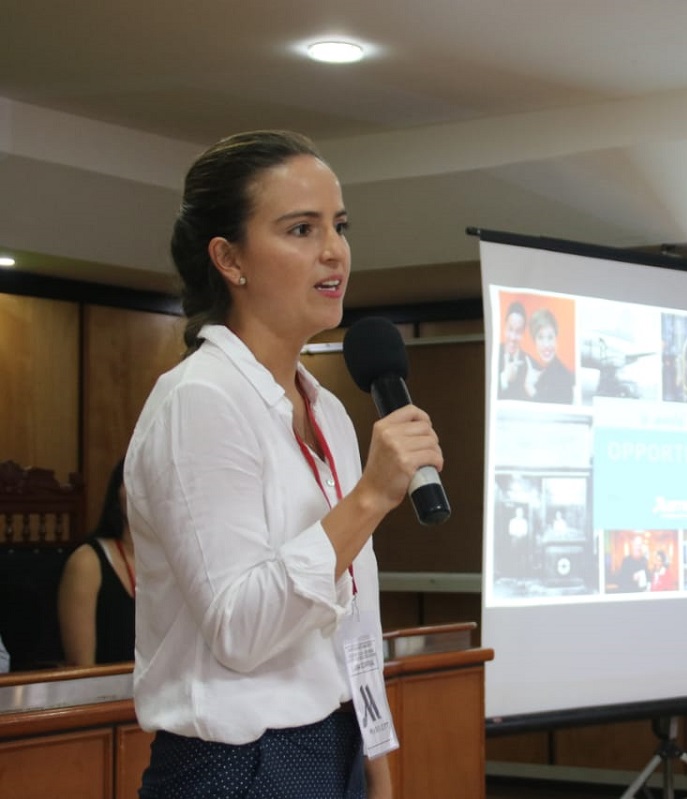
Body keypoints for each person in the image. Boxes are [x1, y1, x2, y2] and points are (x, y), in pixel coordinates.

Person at [125, 130, 443, 799]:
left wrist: (377, 764)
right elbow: (240, 629)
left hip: (340, 744)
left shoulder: (325, 407)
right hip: (239, 766)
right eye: (301, 228)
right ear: (230, 259)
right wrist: (370, 498)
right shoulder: (199, 400)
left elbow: (350, 614)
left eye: (339, 225)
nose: (333, 250)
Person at [57, 458, 136, 666]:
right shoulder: (86, 562)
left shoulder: (173, 561)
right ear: (117, 494)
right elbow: (82, 670)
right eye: (133, 481)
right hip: (108, 693)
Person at [527, 307, 574, 403]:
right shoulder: (535, 368)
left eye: (550, 337)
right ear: (534, 341)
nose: (546, 345)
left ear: (556, 339)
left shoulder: (563, 377)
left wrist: (530, 388)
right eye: (540, 337)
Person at [497, 300, 533, 400]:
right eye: (510, 329)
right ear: (504, 328)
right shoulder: (493, 354)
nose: (513, 337)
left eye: (518, 332)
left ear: (523, 333)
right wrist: (504, 379)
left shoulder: (530, 364)